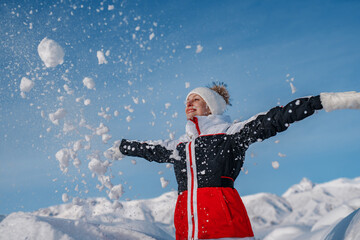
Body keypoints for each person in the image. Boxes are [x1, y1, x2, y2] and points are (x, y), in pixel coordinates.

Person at [117, 83, 360, 240]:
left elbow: (275, 118)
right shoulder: (179, 146)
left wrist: (325, 101)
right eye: (187, 100)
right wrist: (121, 148)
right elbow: (147, 149)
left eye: (196, 99)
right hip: (187, 229)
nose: (189, 103)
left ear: (211, 106)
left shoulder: (231, 134)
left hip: (224, 225)